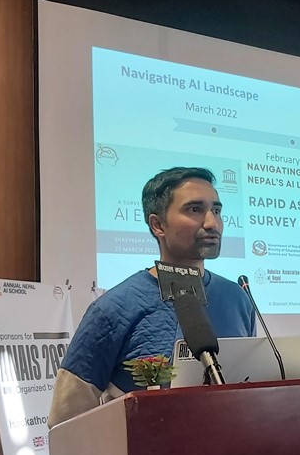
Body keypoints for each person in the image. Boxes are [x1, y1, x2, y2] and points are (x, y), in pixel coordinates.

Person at [48, 167, 255, 427]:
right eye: (194, 209)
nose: (212, 223)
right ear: (158, 225)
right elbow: (65, 420)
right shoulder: (113, 308)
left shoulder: (238, 299)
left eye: (216, 210)